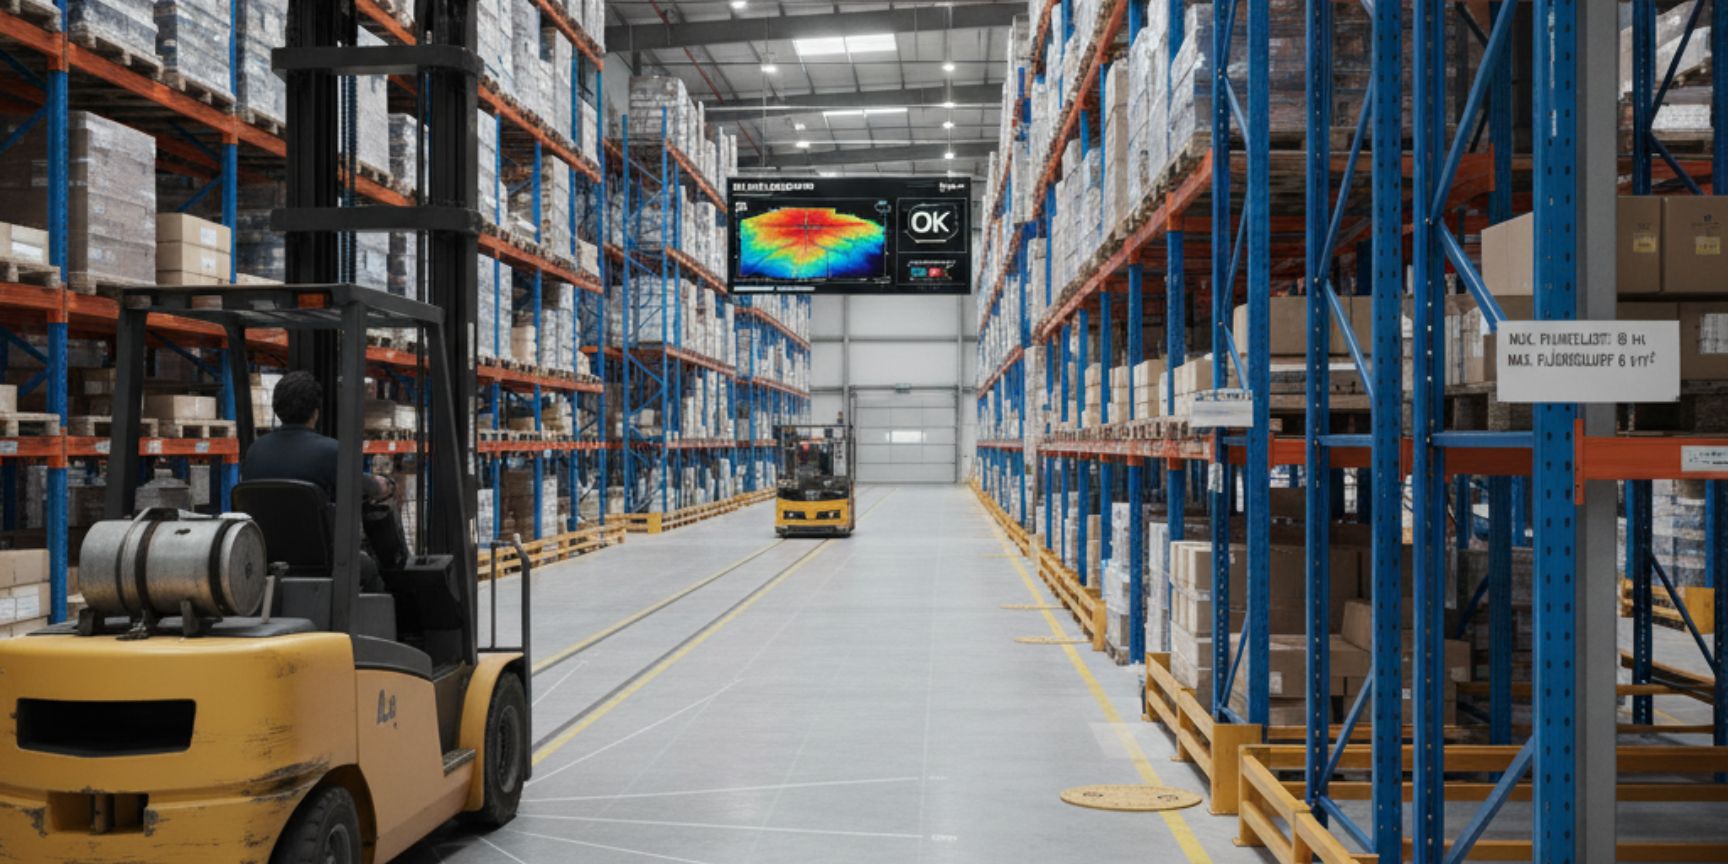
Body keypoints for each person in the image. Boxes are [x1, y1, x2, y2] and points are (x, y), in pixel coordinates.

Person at [241, 371, 405, 584]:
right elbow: (368, 487)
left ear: (277, 408)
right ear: (316, 412)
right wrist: (387, 485)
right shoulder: (332, 452)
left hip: (266, 561)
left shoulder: (254, 451)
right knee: (371, 569)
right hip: (321, 563)